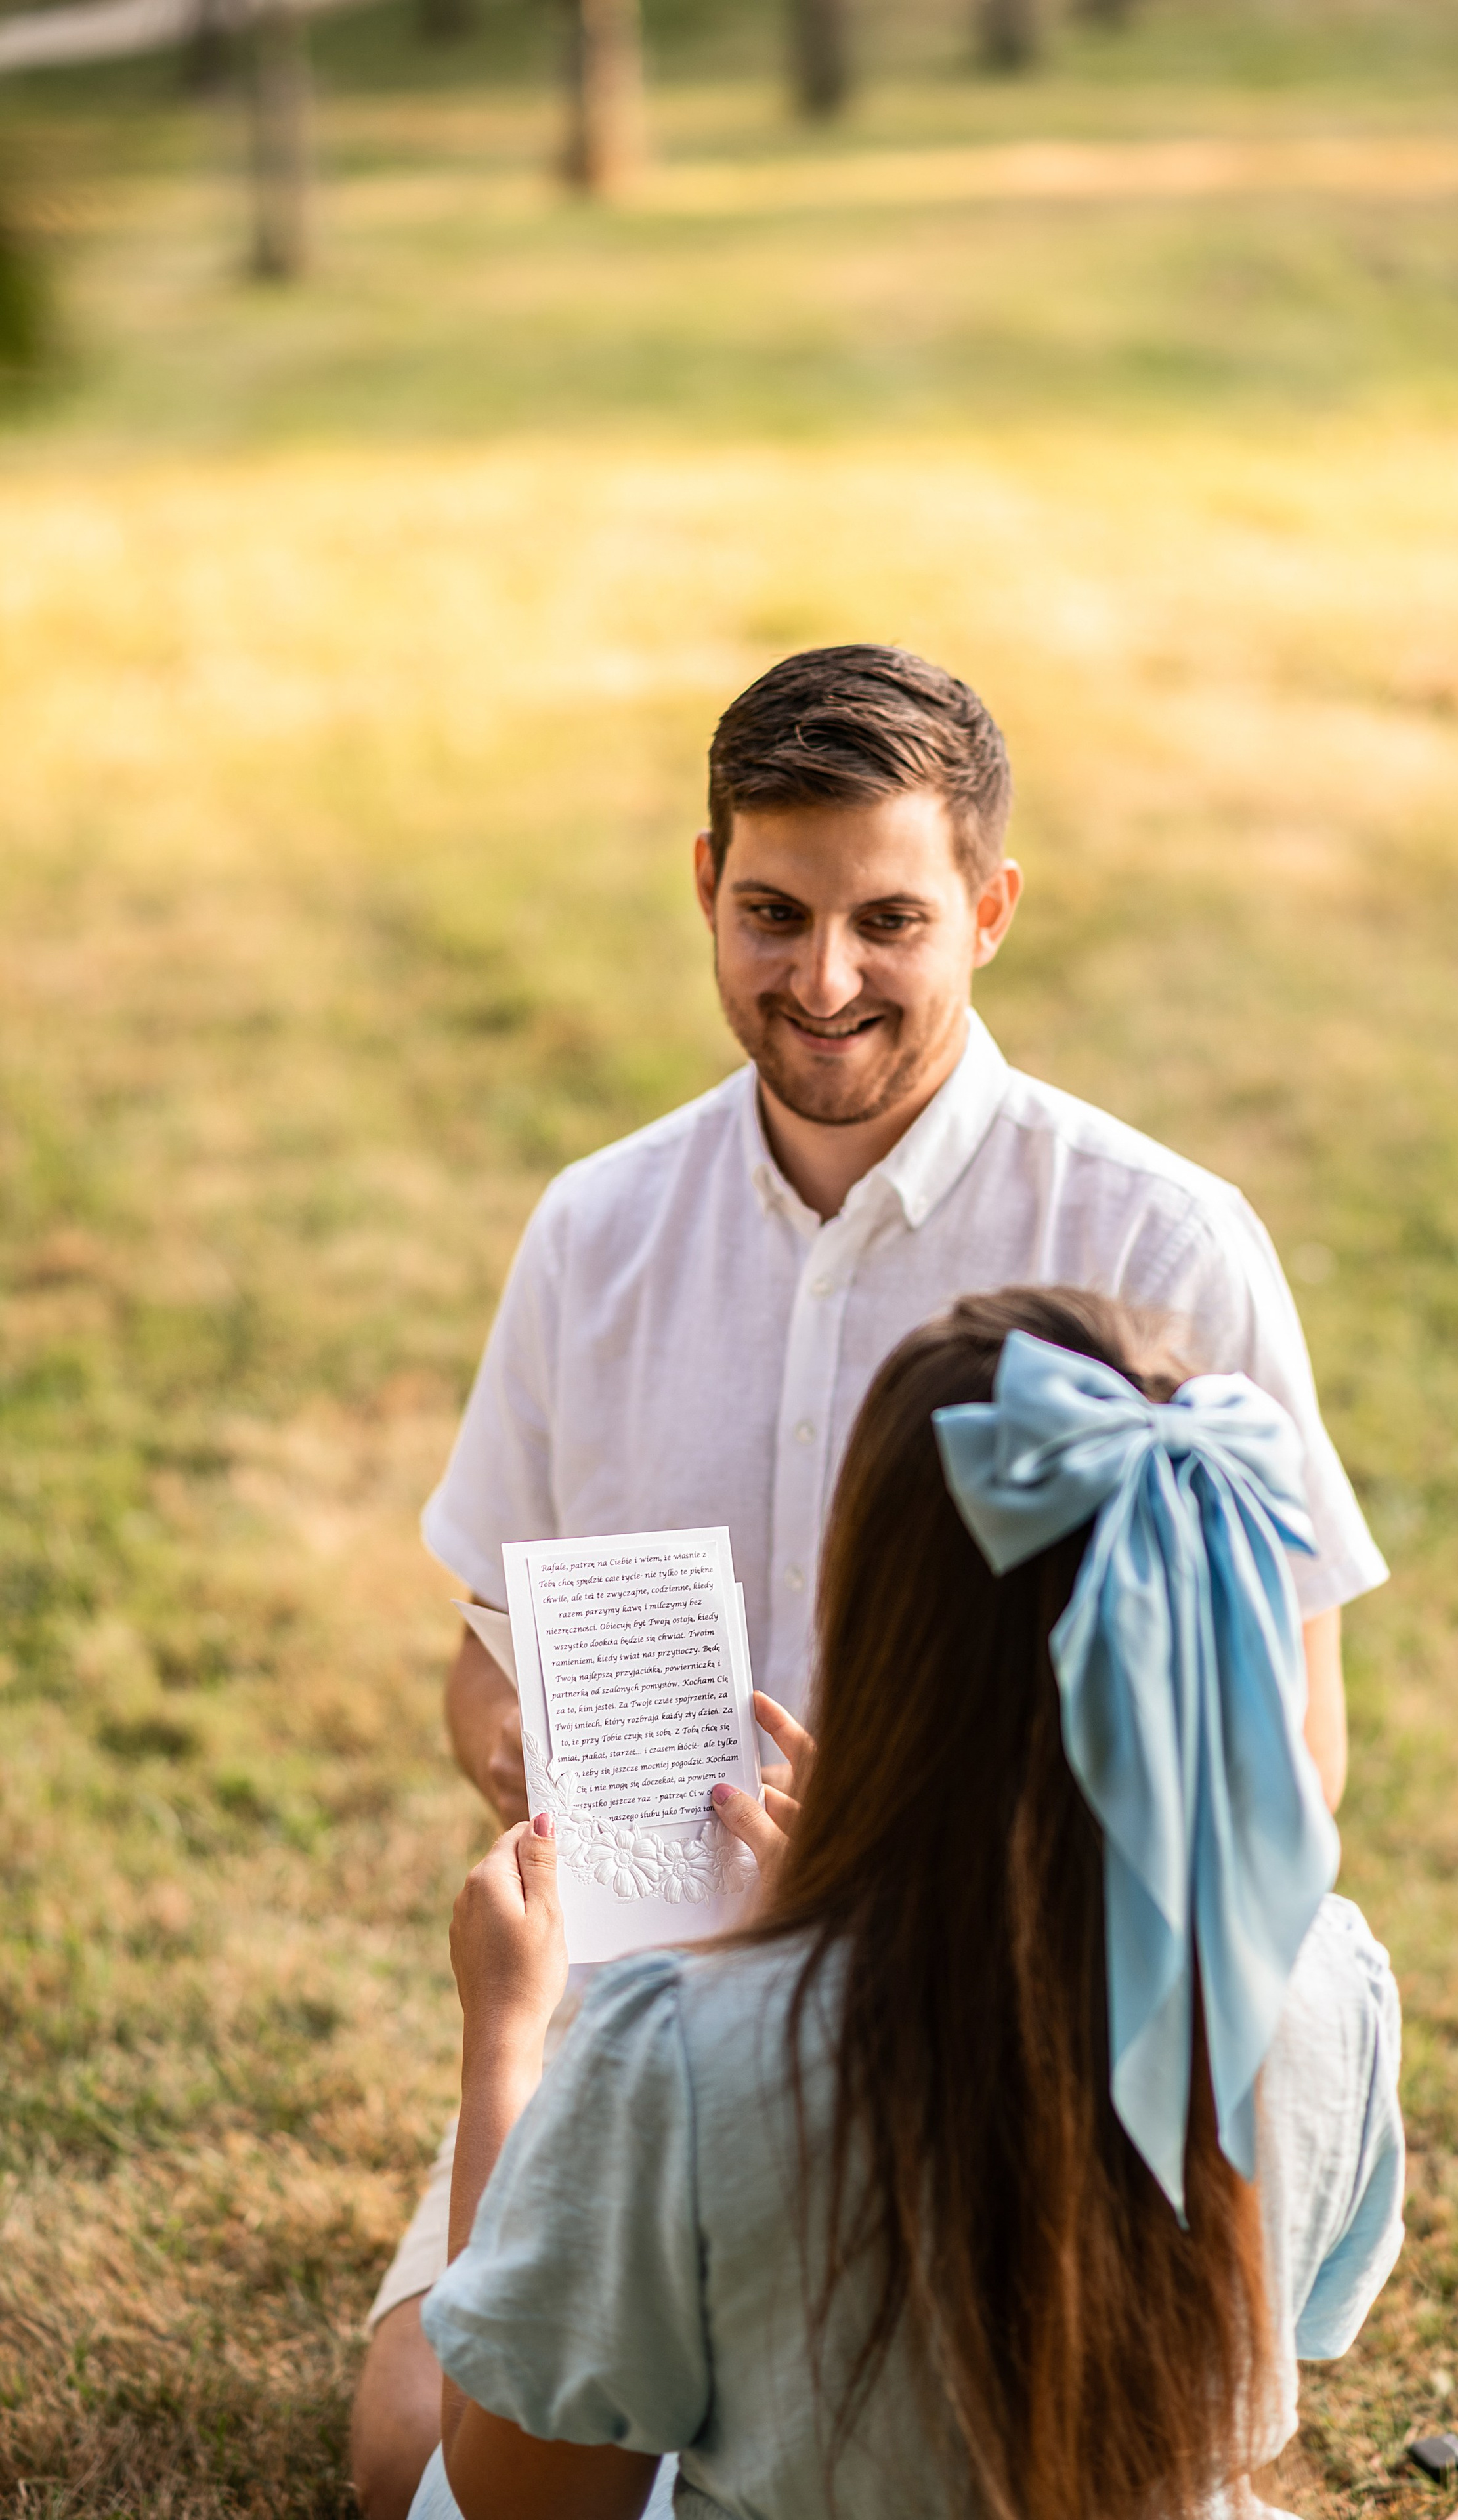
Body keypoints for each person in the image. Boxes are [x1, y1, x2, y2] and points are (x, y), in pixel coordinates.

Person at [349, 647, 1391, 2516]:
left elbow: (1286, 1763)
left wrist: (901, 1871)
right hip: (659, 1998)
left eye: (888, 919)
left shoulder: (1160, 1248)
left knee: (495, 2462)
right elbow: (480, 1666)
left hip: (1035, 2009)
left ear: (988, 911)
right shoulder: (596, 1231)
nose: (823, 980)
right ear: (705, 887)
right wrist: (539, 1762)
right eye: (774, 913)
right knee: (400, 2442)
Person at [406, 1288, 1406, 2520]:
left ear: (875, 1619)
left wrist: (503, 2034)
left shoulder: (681, 2054)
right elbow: (1256, 2348)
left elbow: (516, 2496)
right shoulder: (1332, 1980)